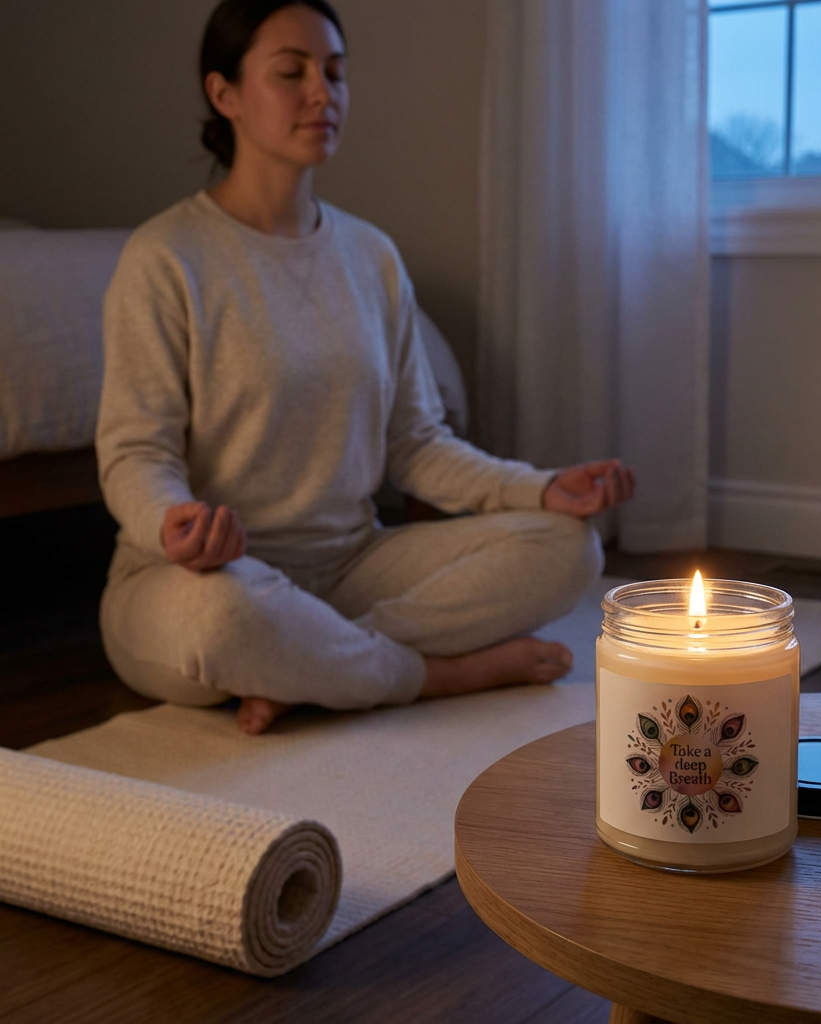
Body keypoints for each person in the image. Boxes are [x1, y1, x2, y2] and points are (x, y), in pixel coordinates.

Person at [96, 0, 635, 735]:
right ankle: (428, 676)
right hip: (202, 579)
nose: (323, 93)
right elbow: (135, 452)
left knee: (570, 547)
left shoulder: (371, 256)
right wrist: (171, 523)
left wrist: (539, 488)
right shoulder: (164, 258)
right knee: (223, 623)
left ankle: (314, 666)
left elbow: (416, 445)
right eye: (291, 73)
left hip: (351, 568)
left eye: (335, 73)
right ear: (224, 95)